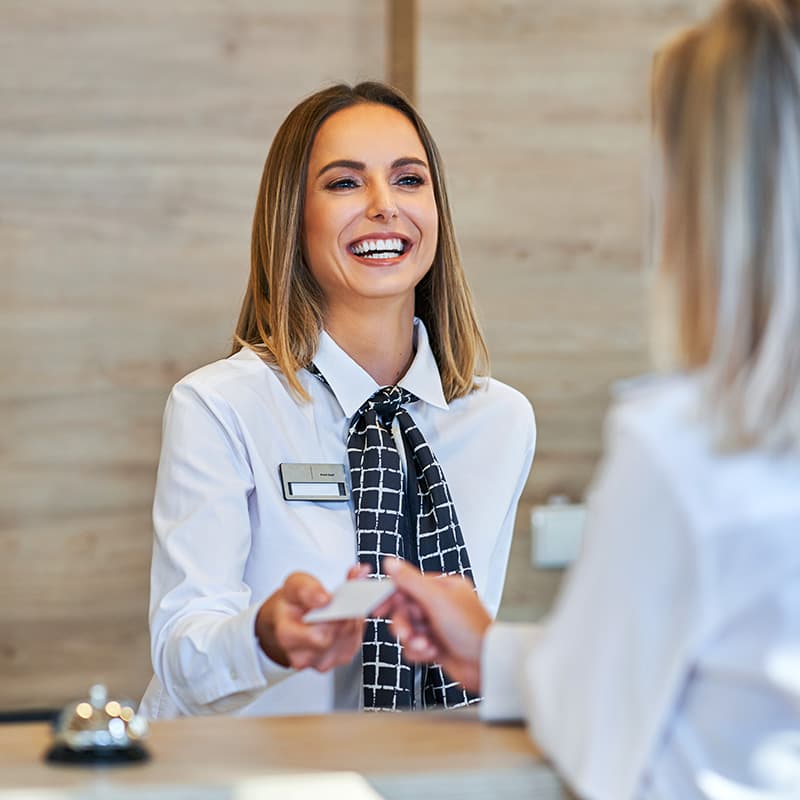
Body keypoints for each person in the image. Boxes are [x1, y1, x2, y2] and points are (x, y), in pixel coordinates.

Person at [380, 2, 800, 798]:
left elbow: (590, 732)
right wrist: (497, 653)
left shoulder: (684, 446)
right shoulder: (219, 406)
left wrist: (500, 654)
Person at [139, 82, 536, 719]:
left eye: (409, 180)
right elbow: (181, 658)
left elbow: (467, 644)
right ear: (293, 217)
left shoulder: (501, 421)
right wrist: (263, 638)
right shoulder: (219, 406)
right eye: (345, 183)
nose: (384, 207)